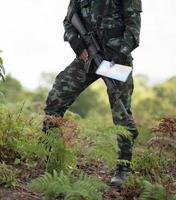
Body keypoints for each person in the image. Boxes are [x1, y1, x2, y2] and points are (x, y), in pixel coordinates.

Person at [42, 0, 142, 188]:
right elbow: (69, 20)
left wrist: (119, 56)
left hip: (115, 60)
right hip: (88, 57)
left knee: (122, 113)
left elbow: (133, 31)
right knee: (56, 97)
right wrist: (77, 45)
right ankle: (51, 156)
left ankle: (123, 167)